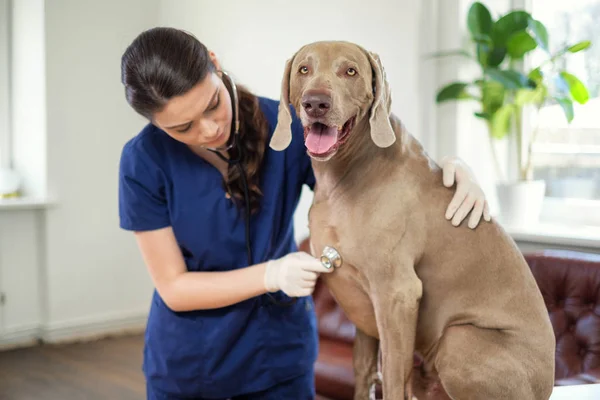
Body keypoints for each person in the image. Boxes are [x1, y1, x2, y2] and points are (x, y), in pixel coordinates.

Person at [118, 27, 491, 400]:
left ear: (215, 65)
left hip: (280, 358)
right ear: (154, 124)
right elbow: (174, 288)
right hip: (192, 367)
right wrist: (271, 274)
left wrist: (450, 168)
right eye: (183, 128)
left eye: (213, 103)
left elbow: (381, 181)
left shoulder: (290, 128)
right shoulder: (143, 161)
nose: (210, 128)